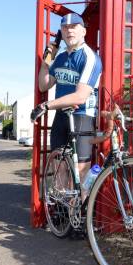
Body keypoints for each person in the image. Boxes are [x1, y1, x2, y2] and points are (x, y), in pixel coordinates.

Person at [32, 13, 102, 202]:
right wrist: (47, 60)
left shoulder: (90, 58)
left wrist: (46, 105)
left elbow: (80, 96)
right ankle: (64, 213)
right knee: (59, 166)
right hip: (61, 117)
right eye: (64, 28)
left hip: (82, 116)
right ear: (61, 33)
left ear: (84, 31)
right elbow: (43, 85)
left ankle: (80, 212)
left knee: (81, 170)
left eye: (74, 27)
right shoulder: (61, 58)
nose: (69, 30)